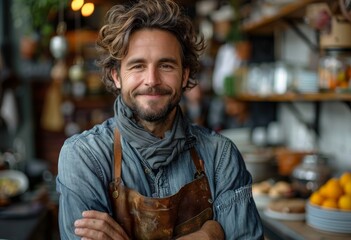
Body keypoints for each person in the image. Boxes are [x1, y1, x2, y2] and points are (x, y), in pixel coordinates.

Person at [56, 0, 264, 239]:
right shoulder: (84, 156)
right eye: (137, 66)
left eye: (165, 65)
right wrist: (209, 234)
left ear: (185, 75)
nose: (151, 80)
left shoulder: (220, 156)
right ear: (116, 76)